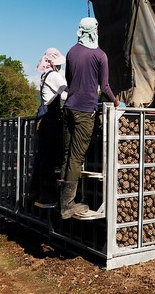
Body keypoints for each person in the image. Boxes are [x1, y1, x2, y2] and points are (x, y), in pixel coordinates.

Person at [60, 17, 121, 219]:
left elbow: (69, 80)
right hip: (85, 110)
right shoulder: (100, 55)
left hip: (68, 107)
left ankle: (62, 199)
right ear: (94, 31)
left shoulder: (71, 52)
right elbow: (104, 87)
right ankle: (67, 204)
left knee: (67, 153)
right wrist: (116, 101)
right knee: (77, 157)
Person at [29, 48, 68, 207]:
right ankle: (47, 194)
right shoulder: (53, 76)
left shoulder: (45, 75)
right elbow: (67, 93)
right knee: (49, 156)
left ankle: (36, 191)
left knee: (42, 155)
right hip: (50, 119)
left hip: (43, 118)